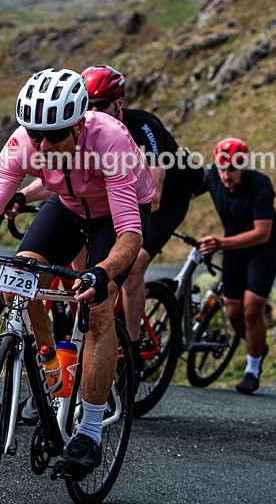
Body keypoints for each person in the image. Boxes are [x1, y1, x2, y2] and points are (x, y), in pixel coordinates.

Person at [0, 68, 155, 475]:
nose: (44, 145)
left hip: (118, 217)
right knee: (19, 280)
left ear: (79, 125)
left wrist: (102, 273)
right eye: (37, 135)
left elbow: (129, 234)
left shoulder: (111, 141)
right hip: (68, 208)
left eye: (55, 135)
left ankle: (89, 433)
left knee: (98, 308)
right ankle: (52, 365)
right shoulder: (22, 144)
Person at [81, 65, 204, 373]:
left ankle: (133, 348)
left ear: (119, 103)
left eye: (101, 105)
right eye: (86, 106)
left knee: (132, 264)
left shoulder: (144, 126)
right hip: (125, 195)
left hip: (168, 197)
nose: (93, 113)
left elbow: (154, 196)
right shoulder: (85, 129)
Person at [198, 137, 276, 395]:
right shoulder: (212, 177)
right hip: (233, 246)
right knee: (233, 311)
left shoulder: (260, 185)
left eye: (233, 169)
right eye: (222, 169)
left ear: (244, 165)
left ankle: (252, 370)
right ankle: (257, 346)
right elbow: (186, 189)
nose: (227, 175)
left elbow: (262, 233)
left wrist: (220, 244)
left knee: (252, 307)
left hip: (263, 248)